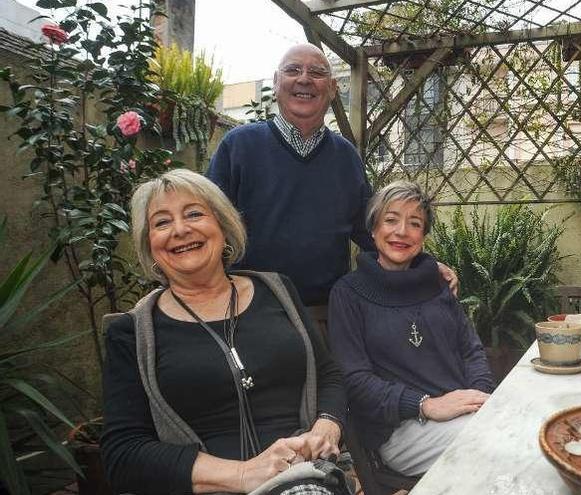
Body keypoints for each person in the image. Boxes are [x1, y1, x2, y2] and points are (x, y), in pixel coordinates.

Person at [101, 169, 351, 495]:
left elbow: (328, 372)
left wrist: (327, 426)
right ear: (150, 245)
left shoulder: (277, 290)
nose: (179, 229)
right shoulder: (131, 333)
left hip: (307, 474)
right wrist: (245, 474)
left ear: (222, 224)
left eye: (194, 214)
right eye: (161, 222)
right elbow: (123, 454)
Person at [205, 43, 457, 321]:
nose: (304, 79)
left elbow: (372, 230)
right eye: (292, 70)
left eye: (316, 72)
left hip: (324, 316)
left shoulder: (346, 157)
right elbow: (207, 226)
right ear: (276, 83)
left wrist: (424, 265)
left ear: (333, 88)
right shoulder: (238, 146)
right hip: (249, 314)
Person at [327, 181, 496, 476]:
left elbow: (471, 350)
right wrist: (425, 405)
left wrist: (476, 397)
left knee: (524, 429)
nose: (402, 231)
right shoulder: (348, 294)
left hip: (463, 413)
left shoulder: (438, 284)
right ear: (373, 229)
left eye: (414, 223)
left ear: (423, 236)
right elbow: (355, 380)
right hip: (400, 429)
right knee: (503, 442)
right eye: (391, 220)